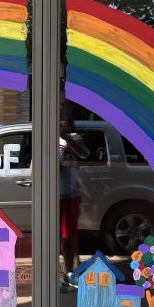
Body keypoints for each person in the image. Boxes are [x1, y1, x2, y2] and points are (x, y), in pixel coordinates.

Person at [59, 119, 89, 290]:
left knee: (69, 235)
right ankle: (70, 270)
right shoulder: (47, 139)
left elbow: (84, 154)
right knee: (62, 236)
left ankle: (71, 272)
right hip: (54, 194)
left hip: (71, 194)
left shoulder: (74, 138)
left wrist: (68, 139)